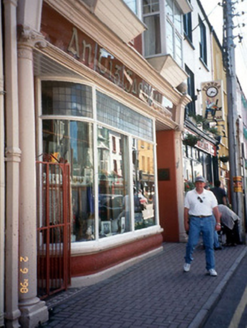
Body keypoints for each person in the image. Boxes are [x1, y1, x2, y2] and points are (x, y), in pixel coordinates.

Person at [184, 176, 221, 276]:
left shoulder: (210, 194)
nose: (199, 185)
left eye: (201, 183)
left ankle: (211, 268)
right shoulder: (189, 194)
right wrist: (185, 223)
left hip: (208, 220)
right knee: (191, 243)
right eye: (198, 183)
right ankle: (187, 261)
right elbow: (186, 210)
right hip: (195, 220)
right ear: (195, 184)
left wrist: (218, 222)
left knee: (209, 245)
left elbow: (216, 209)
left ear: (204, 184)